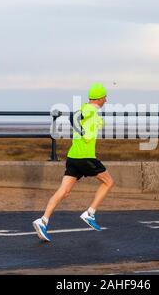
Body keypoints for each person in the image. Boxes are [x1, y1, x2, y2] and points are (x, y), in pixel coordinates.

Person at [32, 83, 114, 242]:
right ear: (99, 98)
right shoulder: (90, 109)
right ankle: (90, 213)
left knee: (64, 191)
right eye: (104, 97)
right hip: (85, 157)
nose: (106, 100)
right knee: (109, 182)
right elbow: (74, 116)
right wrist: (82, 131)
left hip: (74, 157)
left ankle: (43, 221)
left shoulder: (92, 111)